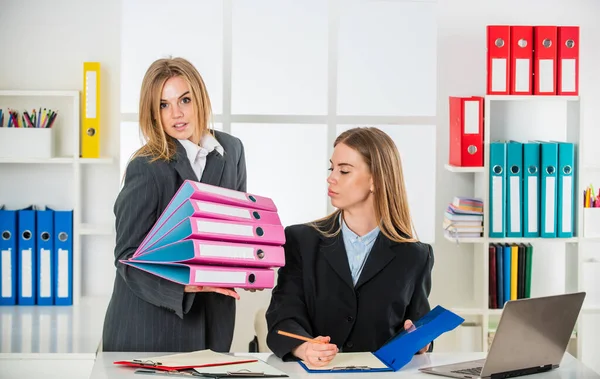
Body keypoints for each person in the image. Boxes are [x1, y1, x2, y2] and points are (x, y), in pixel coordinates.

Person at [102, 57, 247, 352]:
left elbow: (238, 225)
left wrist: (249, 264)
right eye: (163, 105)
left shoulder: (232, 150)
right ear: (153, 113)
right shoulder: (146, 166)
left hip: (213, 322)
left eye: (184, 99)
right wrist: (184, 284)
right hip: (151, 327)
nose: (176, 114)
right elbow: (126, 258)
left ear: (200, 98)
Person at [265, 127, 434, 365]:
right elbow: (282, 319)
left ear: (376, 179)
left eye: (344, 171)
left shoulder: (416, 255)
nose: (331, 177)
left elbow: (418, 326)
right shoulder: (300, 240)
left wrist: (421, 341)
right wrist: (304, 348)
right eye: (331, 168)